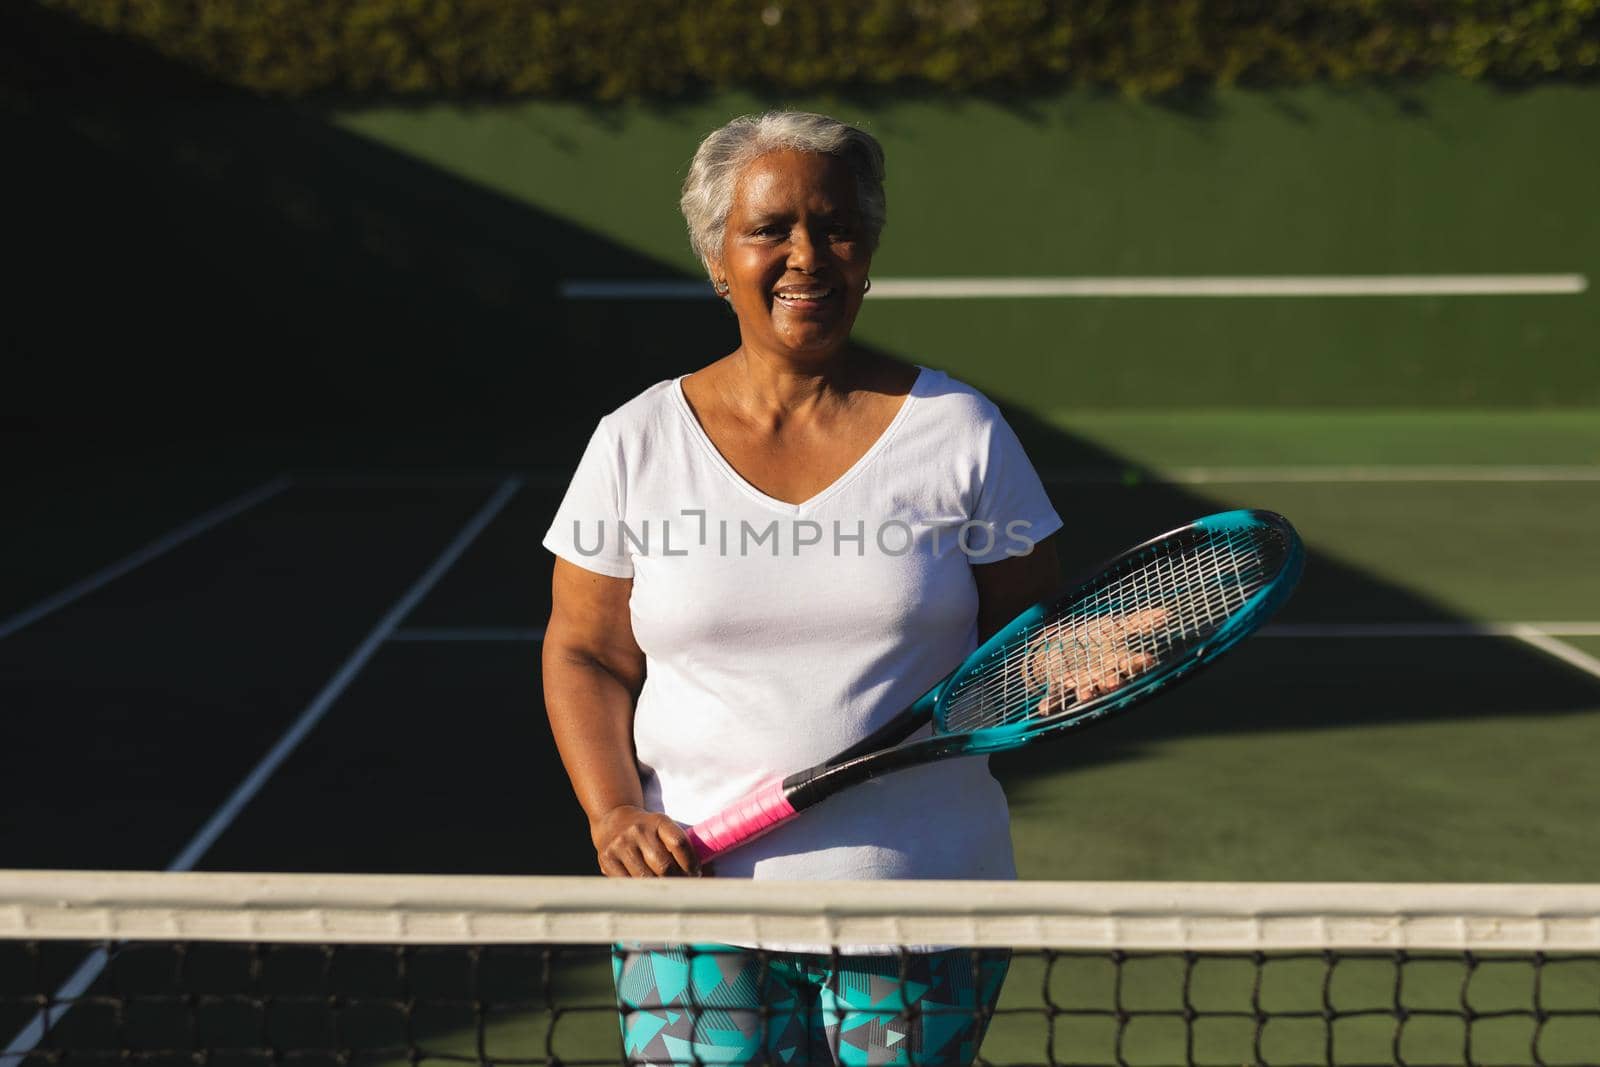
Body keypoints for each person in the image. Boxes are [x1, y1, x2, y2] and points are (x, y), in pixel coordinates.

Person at [541, 112, 1063, 1067]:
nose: (806, 255)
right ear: (716, 257)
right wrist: (614, 812)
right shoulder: (635, 442)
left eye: (836, 226)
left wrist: (1080, 652)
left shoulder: (962, 432)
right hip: (694, 904)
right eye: (770, 228)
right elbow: (584, 649)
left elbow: (1031, 630)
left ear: (868, 252)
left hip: (923, 901)